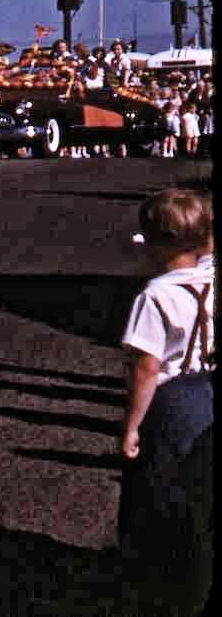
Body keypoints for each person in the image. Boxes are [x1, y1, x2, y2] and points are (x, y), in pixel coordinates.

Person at [117, 189, 213, 614]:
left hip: (171, 401)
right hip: (210, 388)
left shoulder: (154, 297)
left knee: (159, 487)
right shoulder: (213, 281)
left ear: (160, 244)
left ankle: (159, 577)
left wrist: (132, 425)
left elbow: (146, 369)